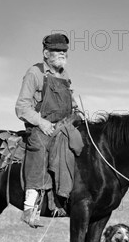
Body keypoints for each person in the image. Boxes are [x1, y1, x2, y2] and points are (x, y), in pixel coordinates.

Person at [15, 34, 80, 227]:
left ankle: (66, 197)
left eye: (64, 51)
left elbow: (70, 102)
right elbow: (22, 107)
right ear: (46, 53)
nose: (62, 54)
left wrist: (77, 111)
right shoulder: (34, 73)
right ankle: (30, 205)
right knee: (40, 146)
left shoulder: (65, 75)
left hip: (64, 125)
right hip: (41, 126)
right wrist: (41, 123)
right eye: (58, 51)